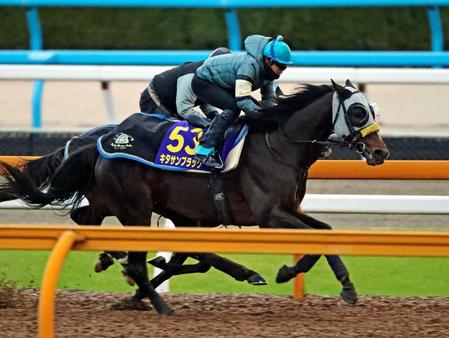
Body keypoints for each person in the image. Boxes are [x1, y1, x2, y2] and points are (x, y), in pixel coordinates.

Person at [192, 35, 293, 168]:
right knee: (234, 108)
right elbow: (243, 102)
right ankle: (204, 150)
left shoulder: (268, 73)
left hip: (223, 83)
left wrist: (279, 114)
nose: (281, 71)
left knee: (254, 106)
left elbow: (268, 99)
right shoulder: (249, 66)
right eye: (280, 66)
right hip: (203, 82)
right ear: (268, 60)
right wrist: (265, 116)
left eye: (284, 67)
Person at [139, 47, 231, 128]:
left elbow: (205, 101)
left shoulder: (209, 74)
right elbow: (184, 110)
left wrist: (215, 118)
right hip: (153, 100)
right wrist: (208, 124)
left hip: (172, 106)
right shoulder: (191, 76)